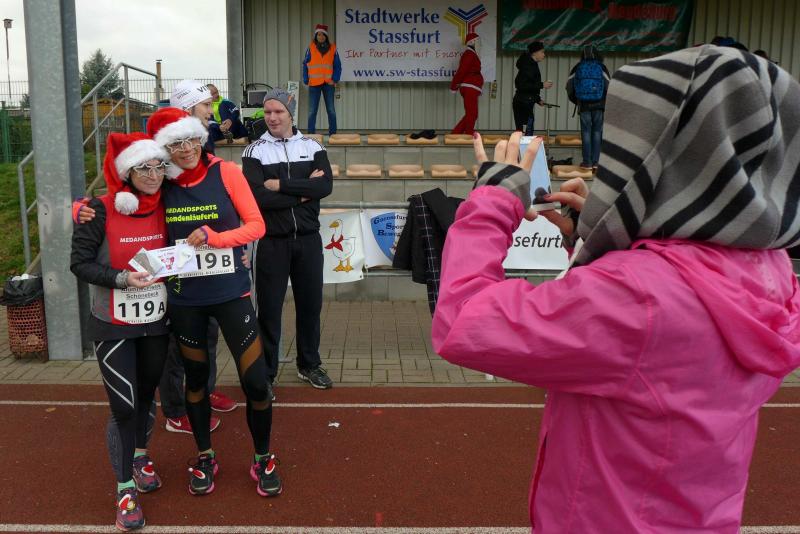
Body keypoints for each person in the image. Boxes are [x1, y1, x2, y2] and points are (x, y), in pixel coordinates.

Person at [432, 45, 800, 533]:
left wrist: (493, 200)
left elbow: (464, 320)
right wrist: (606, 231)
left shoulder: (638, 296)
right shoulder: (771, 272)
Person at [145, 106, 281, 497]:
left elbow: (257, 226)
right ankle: (205, 456)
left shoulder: (227, 172)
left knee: (256, 382)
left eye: (190, 139)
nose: (186, 149)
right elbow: (122, 203)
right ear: (165, 149)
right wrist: (82, 208)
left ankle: (262, 457)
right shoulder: (161, 182)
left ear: (200, 138)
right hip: (186, 299)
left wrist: (216, 238)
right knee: (196, 382)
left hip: (231, 293)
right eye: (175, 144)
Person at [70, 132, 172, 531]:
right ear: (127, 172)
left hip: (156, 322)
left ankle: (140, 455)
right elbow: (80, 264)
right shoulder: (98, 210)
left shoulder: (169, 204)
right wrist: (121, 279)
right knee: (124, 406)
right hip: (112, 324)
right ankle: (124, 489)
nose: (152, 174)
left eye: (158, 166)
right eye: (143, 168)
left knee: (146, 397)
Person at [241, 88, 334, 390]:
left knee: (310, 307)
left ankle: (309, 365)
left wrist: (279, 184)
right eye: (267, 112)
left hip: (308, 240)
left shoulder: (312, 146)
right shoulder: (254, 151)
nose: (272, 117)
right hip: (271, 242)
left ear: (290, 113)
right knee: (269, 311)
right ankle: (266, 374)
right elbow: (258, 198)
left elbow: (325, 187)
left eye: (278, 111)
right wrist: (303, 193)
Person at [565, 44, 610, 171]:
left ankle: (587, 163)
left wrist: (576, 100)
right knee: (597, 132)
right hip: (599, 104)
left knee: (585, 132)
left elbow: (568, 86)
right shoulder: (601, 67)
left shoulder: (578, 67)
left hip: (584, 104)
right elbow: (608, 85)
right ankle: (596, 162)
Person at [302, 24, 341, 135]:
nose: (321, 37)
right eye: (318, 34)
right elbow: (305, 64)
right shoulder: (310, 48)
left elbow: (338, 66)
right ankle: (311, 134)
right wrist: (306, 78)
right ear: (316, 36)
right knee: (312, 111)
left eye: (323, 35)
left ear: (326, 36)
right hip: (314, 84)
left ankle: (333, 134)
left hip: (328, 84)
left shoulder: (333, 48)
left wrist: (335, 79)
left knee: (331, 110)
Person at [512, 41, 553, 136]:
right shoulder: (528, 65)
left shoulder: (531, 64)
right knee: (526, 130)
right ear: (534, 53)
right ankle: (524, 145)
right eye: (542, 52)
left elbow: (530, 84)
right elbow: (523, 85)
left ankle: (523, 144)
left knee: (524, 130)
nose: (544, 55)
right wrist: (542, 85)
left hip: (525, 100)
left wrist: (538, 99)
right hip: (523, 102)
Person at [450, 32, 483, 135]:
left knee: (472, 114)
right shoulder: (469, 54)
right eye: (478, 41)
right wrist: (454, 86)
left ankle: (455, 134)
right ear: (472, 42)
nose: (480, 44)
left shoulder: (471, 54)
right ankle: (468, 134)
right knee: (472, 114)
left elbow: (462, 71)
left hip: (471, 87)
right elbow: (462, 71)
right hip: (470, 87)